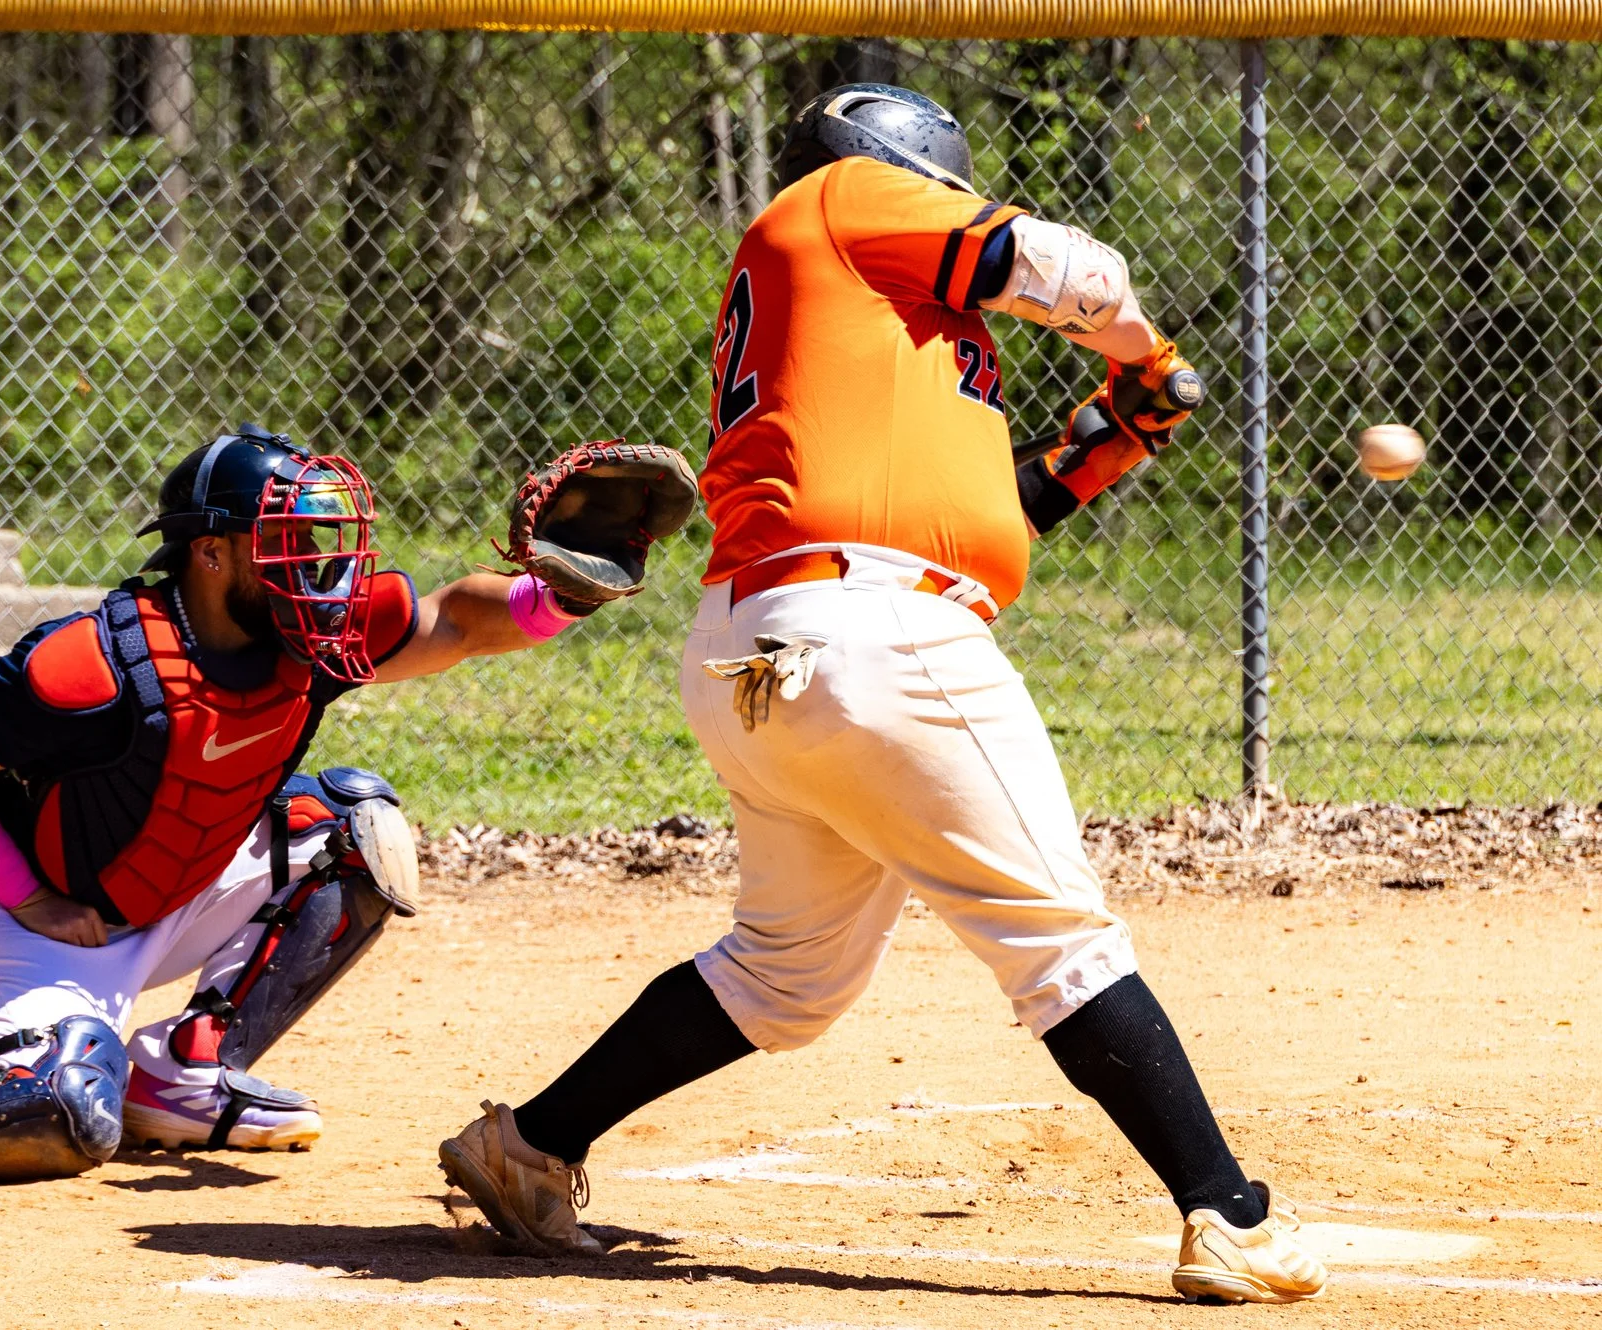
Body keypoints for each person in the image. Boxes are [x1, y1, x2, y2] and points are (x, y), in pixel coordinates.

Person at [435, 84, 1328, 1306]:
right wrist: (1142, 349)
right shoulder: (851, 197)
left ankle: (528, 1144)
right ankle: (1226, 1213)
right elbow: (1072, 270)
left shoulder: (859, 313)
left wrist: (1111, 435)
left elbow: (982, 515)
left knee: (783, 974)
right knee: (1058, 934)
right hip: (874, 637)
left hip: (766, 647)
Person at [0, 426, 692, 1181]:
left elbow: (452, 619)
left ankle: (188, 1068)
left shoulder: (310, 630)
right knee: (47, 1125)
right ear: (210, 552)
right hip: (27, 916)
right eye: (290, 543)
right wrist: (28, 896)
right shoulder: (96, 665)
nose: (323, 567)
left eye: (324, 541)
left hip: (173, 888)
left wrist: (558, 593)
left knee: (356, 830)